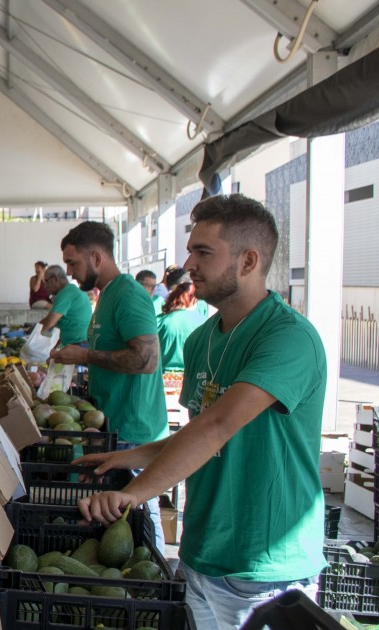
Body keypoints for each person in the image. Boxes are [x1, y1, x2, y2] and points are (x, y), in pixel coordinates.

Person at [77, 195, 326, 628]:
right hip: (201, 553)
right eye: (191, 249)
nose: (188, 262)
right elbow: (198, 435)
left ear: (248, 261)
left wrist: (136, 493)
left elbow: (219, 426)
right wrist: (129, 459)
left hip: (263, 567)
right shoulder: (201, 339)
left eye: (203, 252)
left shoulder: (288, 338)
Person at [50, 221, 167, 551]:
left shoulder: (128, 295)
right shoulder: (107, 296)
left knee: (140, 515)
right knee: (122, 519)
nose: (70, 273)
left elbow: (147, 360)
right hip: (113, 424)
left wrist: (84, 355)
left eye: (73, 263)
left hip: (134, 427)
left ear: (97, 257)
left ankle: (155, 579)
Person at [156, 270, 206, 373]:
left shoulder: (159, 321)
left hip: (162, 377)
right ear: (193, 299)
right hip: (191, 376)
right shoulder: (204, 322)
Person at [38, 264, 92, 348]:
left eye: (46, 282)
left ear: (55, 279)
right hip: (81, 342)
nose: (45, 286)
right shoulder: (71, 290)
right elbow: (50, 318)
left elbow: (49, 324)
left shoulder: (65, 293)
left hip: (78, 345)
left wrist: (35, 339)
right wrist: (33, 328)